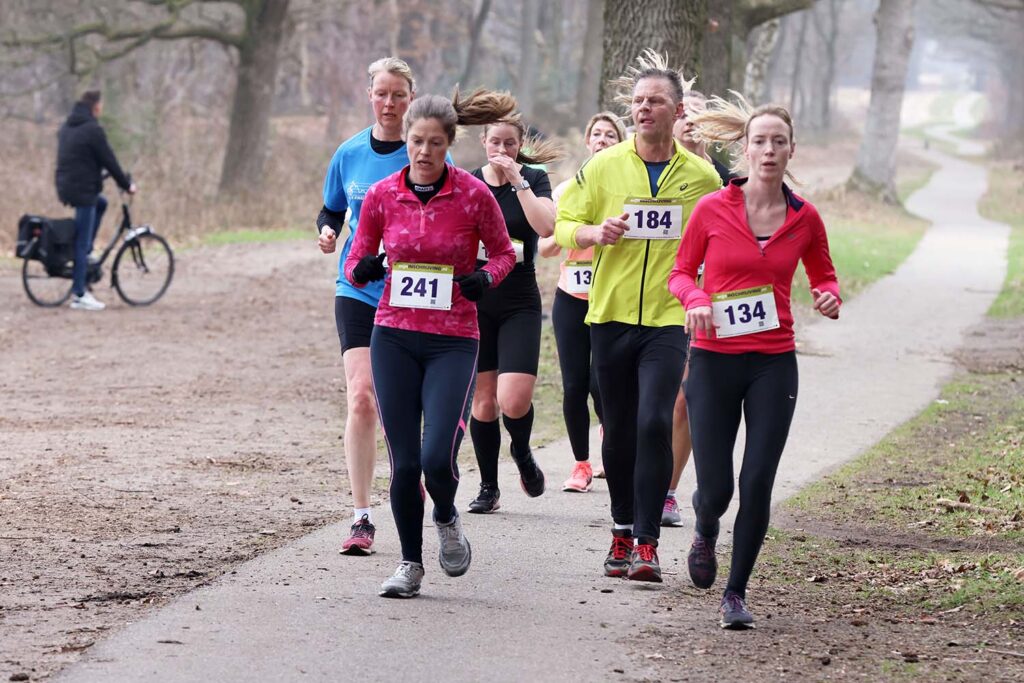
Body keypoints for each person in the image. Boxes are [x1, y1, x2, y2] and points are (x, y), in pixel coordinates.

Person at [669, 94, 840, 628]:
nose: (768, 150)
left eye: (778, 142)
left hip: (772, 362)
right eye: (759, 141)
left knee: (759, 479)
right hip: (715, 359)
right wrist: (695, 299)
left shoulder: (805, 218)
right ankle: (704, 526)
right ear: (744, 149)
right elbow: (680, 273)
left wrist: (829, 296)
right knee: (716, 487)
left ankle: (735, 594)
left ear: (791, 151)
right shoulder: (712, 209)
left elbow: (824, 275)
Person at [344, 89, 518, 598]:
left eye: (435, 144)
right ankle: (409, 564)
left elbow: (505, 254)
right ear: (407, 141)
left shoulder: (471, 195)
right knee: (405, 461)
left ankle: (445, 515)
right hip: (394, 335)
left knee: (437, 458)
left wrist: (485, 279)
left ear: (448, 146)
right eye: (416, 141)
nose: (423, 152)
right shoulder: (381, 195)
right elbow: (356, 262)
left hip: (453, 341)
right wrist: (366, 267)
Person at [555, 50, 721, 583]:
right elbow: (562, 224)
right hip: (609, 314)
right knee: (620, 428)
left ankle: (647, 542)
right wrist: (592, 232)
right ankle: (621, 529)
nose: (644, 110)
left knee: (654, 420)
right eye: (637, 102)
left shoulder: (701, 178)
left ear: (677, 112)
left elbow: (719, 239)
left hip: (669, 318)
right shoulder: (603, 166)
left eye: (655, 102)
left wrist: (708, 295)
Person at [317, 57, 423, 556]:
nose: (389, 103)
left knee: (406, 400)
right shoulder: (349, 152)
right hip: (357, 287)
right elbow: (333, 206)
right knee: (361, 397)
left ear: (410, 98)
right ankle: (361, 517)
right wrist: (328, 230)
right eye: (381, 93)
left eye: (398, 94)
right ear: (370, 95)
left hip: (412, 290)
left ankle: (417, 473)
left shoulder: (423, 154)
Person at [465, 118, 562, 514]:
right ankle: (489, 487)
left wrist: (517, 180)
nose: (502, 150)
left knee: (514, 400)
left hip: (519, 298)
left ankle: (521, 452)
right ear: (484, 142)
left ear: (520, 145)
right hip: (478, 298)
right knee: (485, 402)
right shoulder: (469, 182)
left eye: (510, 143)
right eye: (495, 142)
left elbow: (547, 224)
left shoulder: (534, 179)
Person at [538, 112, 626, 492]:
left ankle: (612, 442)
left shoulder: (626, 189)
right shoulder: (566, 190)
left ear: (621, 143)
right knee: (574, 384)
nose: (603, 139)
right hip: (571, 296)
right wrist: (568, 235)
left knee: (601, 383)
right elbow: (544, 246)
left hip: (611, 298)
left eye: (610, 135)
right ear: (588, 142)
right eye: (597, 134)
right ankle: (581, 465)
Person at [661, 89, 733, 526]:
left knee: (685, 399)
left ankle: (667, 491)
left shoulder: (724, 177)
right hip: (652, 295)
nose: (689, 121)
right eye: (683, 112)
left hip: (704, 298)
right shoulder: (647, 167)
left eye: (697, 114)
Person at [55, 90, 136, 311]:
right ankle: (79, 294)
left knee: (102, 203)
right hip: (82, 190)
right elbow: (109, 159)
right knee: (82, 241)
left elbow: (78, 159)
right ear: (96, 107)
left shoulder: (68, 126)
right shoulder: (92, 130)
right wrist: (126, 185)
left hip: (67, 186)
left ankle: (86, 252)